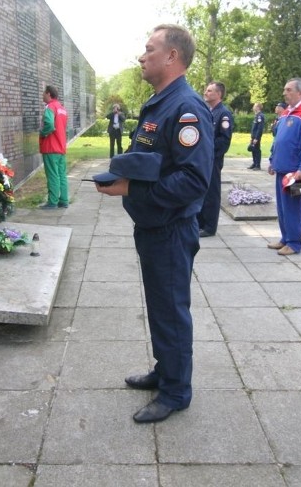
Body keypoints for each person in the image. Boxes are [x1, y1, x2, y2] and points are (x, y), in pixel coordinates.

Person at [96, 24, 213, 423]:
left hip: (170, 228)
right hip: (153, 225)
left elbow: (194, 181)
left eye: (149, 50)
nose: (142, 56)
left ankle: (177, 391)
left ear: (172, 57)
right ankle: (167, 370)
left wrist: (131, 190)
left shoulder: (187, 108)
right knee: (160, 306)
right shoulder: (160, 102)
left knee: (171, 309)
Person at [267, 78, 301, 255]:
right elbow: (278, 139)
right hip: (282, 168)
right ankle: (285, 238)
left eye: (288, 90)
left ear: (300, 92)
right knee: (282, 208)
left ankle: (295, 242)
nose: (284, 93)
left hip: (295, 172)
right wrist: (273, 160)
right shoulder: (288, 111)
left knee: (294, 208)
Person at [198, 81, 233, 237]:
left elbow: (224, 141)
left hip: (212, 160)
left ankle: (210, 227)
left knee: (212, 193)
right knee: (201, 191)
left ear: (218, 94)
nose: (206, 93)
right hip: (202, 159)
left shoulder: (223, 114)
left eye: (210, 91)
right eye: (206, 90)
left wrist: (209, 153)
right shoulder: (207, 110)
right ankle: (199, 222)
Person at [39, 85, 69, 209]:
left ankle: (52, 202)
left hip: (51, 146)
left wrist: (42, 132)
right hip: (61, 146)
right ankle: (64, 201)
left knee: (52, 175)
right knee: (61, 175)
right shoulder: (62, 108)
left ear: (48, 94)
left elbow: (50, 124)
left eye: (43, 93)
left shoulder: (50, 107)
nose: (42, 95)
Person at [248, 102, 265, 170]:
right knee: (253, 149)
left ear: (258, 107)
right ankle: (254, 163)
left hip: (256, 137)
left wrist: (256, 138)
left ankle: (258, 165)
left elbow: (259, 128)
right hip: (253, 136)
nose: (253, 107)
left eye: (254, 106)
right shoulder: (256, 115)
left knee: (257, 150)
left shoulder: (260, 116)